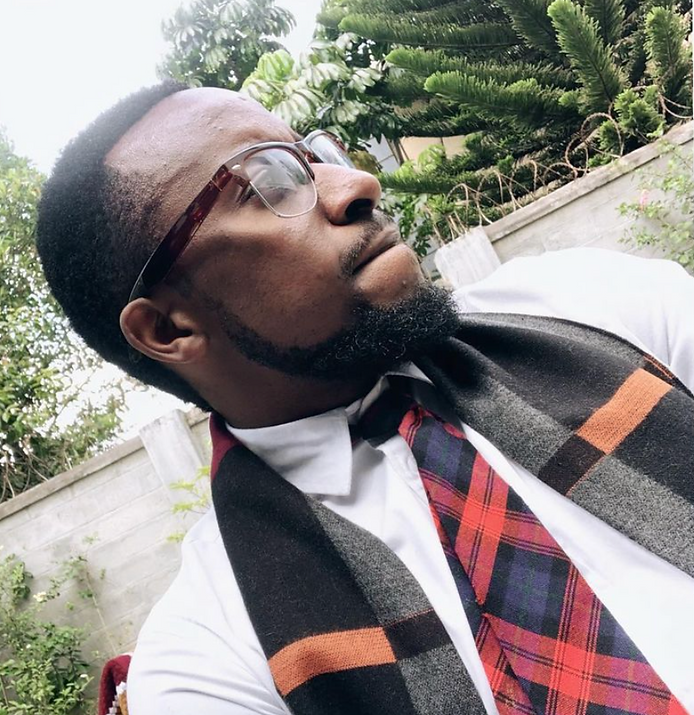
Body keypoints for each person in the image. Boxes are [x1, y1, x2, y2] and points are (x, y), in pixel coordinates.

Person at [36, 81, 694, 715]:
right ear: (168, 328)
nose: (357, 184)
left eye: (317, 154)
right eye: (266, 183)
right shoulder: (210, 660)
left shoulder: (594, 307)